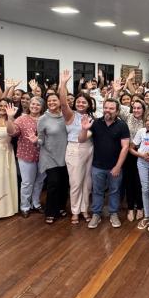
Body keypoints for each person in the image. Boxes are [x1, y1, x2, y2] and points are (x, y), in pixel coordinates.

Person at [80, 98, 130, 229]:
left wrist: (118, 166)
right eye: (106, 108)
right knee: (97, 191)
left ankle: (113, 213)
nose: (108, 110)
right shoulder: (96, 123)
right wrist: (84, 129)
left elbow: (125, 147)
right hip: (97, 166)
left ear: (117, 111)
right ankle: (96, 214)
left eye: (111, 108)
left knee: (114, 191)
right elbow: (81, 139)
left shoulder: (122, 125)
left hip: (115, 166)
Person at [58, 71, 95, 224]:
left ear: (89, 104)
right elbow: (63, 103)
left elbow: (87, 137)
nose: (80, 104)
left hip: (89, 148)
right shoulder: (70, 115)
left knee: (87, 182)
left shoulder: (92, 117)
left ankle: (84, 209)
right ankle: (75, 211)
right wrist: (63, 84)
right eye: (78, 102)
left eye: (83, 102)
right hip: (74, 149)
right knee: (75, 182)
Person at [7, 96, 44, 218]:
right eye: (33, 103)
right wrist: (10, 118)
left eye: (38, 104)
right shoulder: (22, 119)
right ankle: (25, 206)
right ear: (29, 105)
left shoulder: (45, 119)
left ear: (42, 107)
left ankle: (36, 203)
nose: (34, 106)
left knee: (39, 181)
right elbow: (12, 132)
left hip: (44, 155)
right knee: (27, 182)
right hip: (26, 155)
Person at [37, 92, 69, 224]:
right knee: (53, 184)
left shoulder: (66, 116)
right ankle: (50, 212)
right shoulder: (43, 119)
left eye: (54, 100)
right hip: (49, 156)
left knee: (64, 184)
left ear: (60, 102)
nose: (51, 103)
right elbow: (40, 139)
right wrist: (36, 141)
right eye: (49, 101)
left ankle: (61, 207)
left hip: (65, 155)